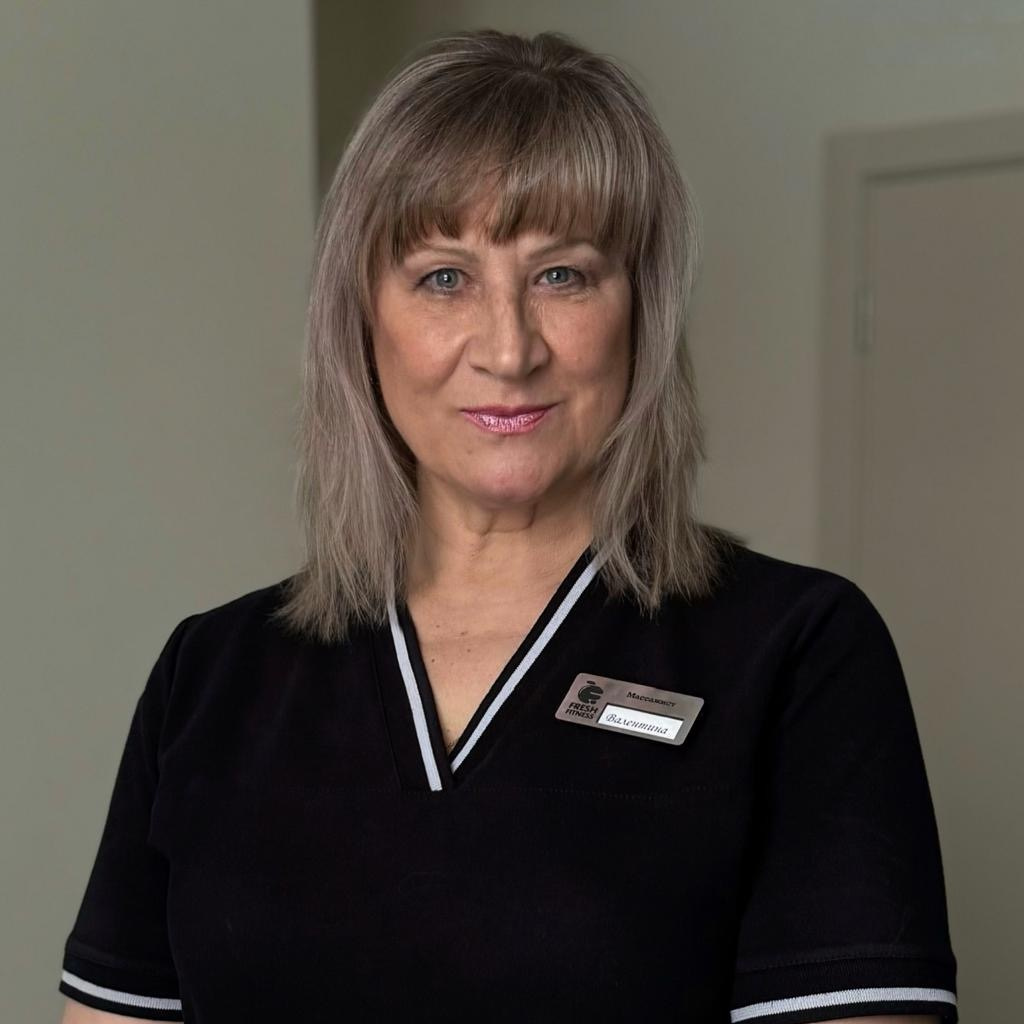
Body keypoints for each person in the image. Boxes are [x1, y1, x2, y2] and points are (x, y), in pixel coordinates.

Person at [58, 27, 957, 1024]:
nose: (508, 347)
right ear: (363, 319)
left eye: (561, 274)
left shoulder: (797, 654)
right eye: (443, 277)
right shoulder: (211, 675)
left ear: (641, 310)